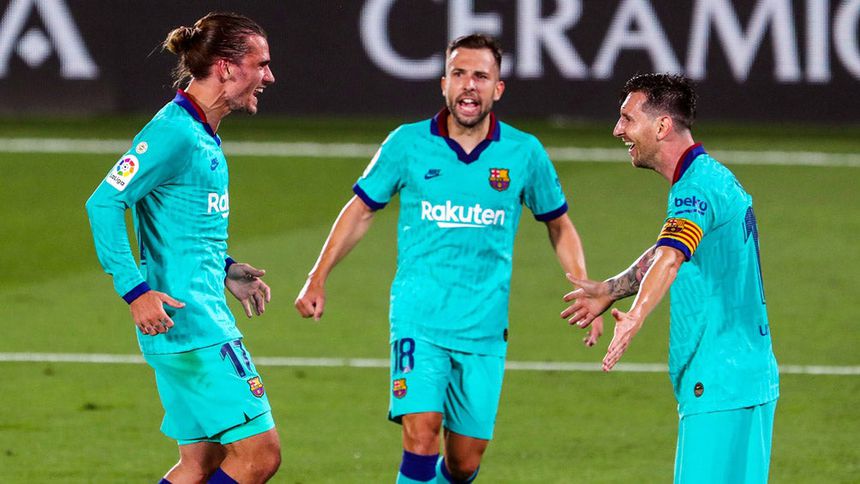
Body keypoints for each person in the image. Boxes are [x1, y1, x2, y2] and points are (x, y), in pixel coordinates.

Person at [294, 34, 601, 483]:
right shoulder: (407, 143)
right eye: (459, 74)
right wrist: (317, 275)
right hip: (419, 319)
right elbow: (360, 210)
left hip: (483, 327)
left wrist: (584, 283)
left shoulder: (524, 152)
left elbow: (559, 224)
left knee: (464, 463)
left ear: (498, 88)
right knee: (421, 434)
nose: (469, 85)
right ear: (444, 83)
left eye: (481, 76)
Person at [85, 12, 280, 484]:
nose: (269, 76)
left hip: (188, 321)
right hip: (194, 328)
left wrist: (224, 267)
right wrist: (135, 291)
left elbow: (183, 226)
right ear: (226, 67)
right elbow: (104, 202)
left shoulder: (200, 133)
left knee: (200, 464)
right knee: (259, 456)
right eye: (261, 64)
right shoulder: (173, 132)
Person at [561, 73, 779, 483]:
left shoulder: (693, 189)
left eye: (628, 118)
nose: (618, 129)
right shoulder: (713, 178)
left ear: (661, 126)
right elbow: (670, 247)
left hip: (717, 382)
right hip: (750, 377)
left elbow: (671, 257)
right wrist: (611, 289)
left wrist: (635, 315)